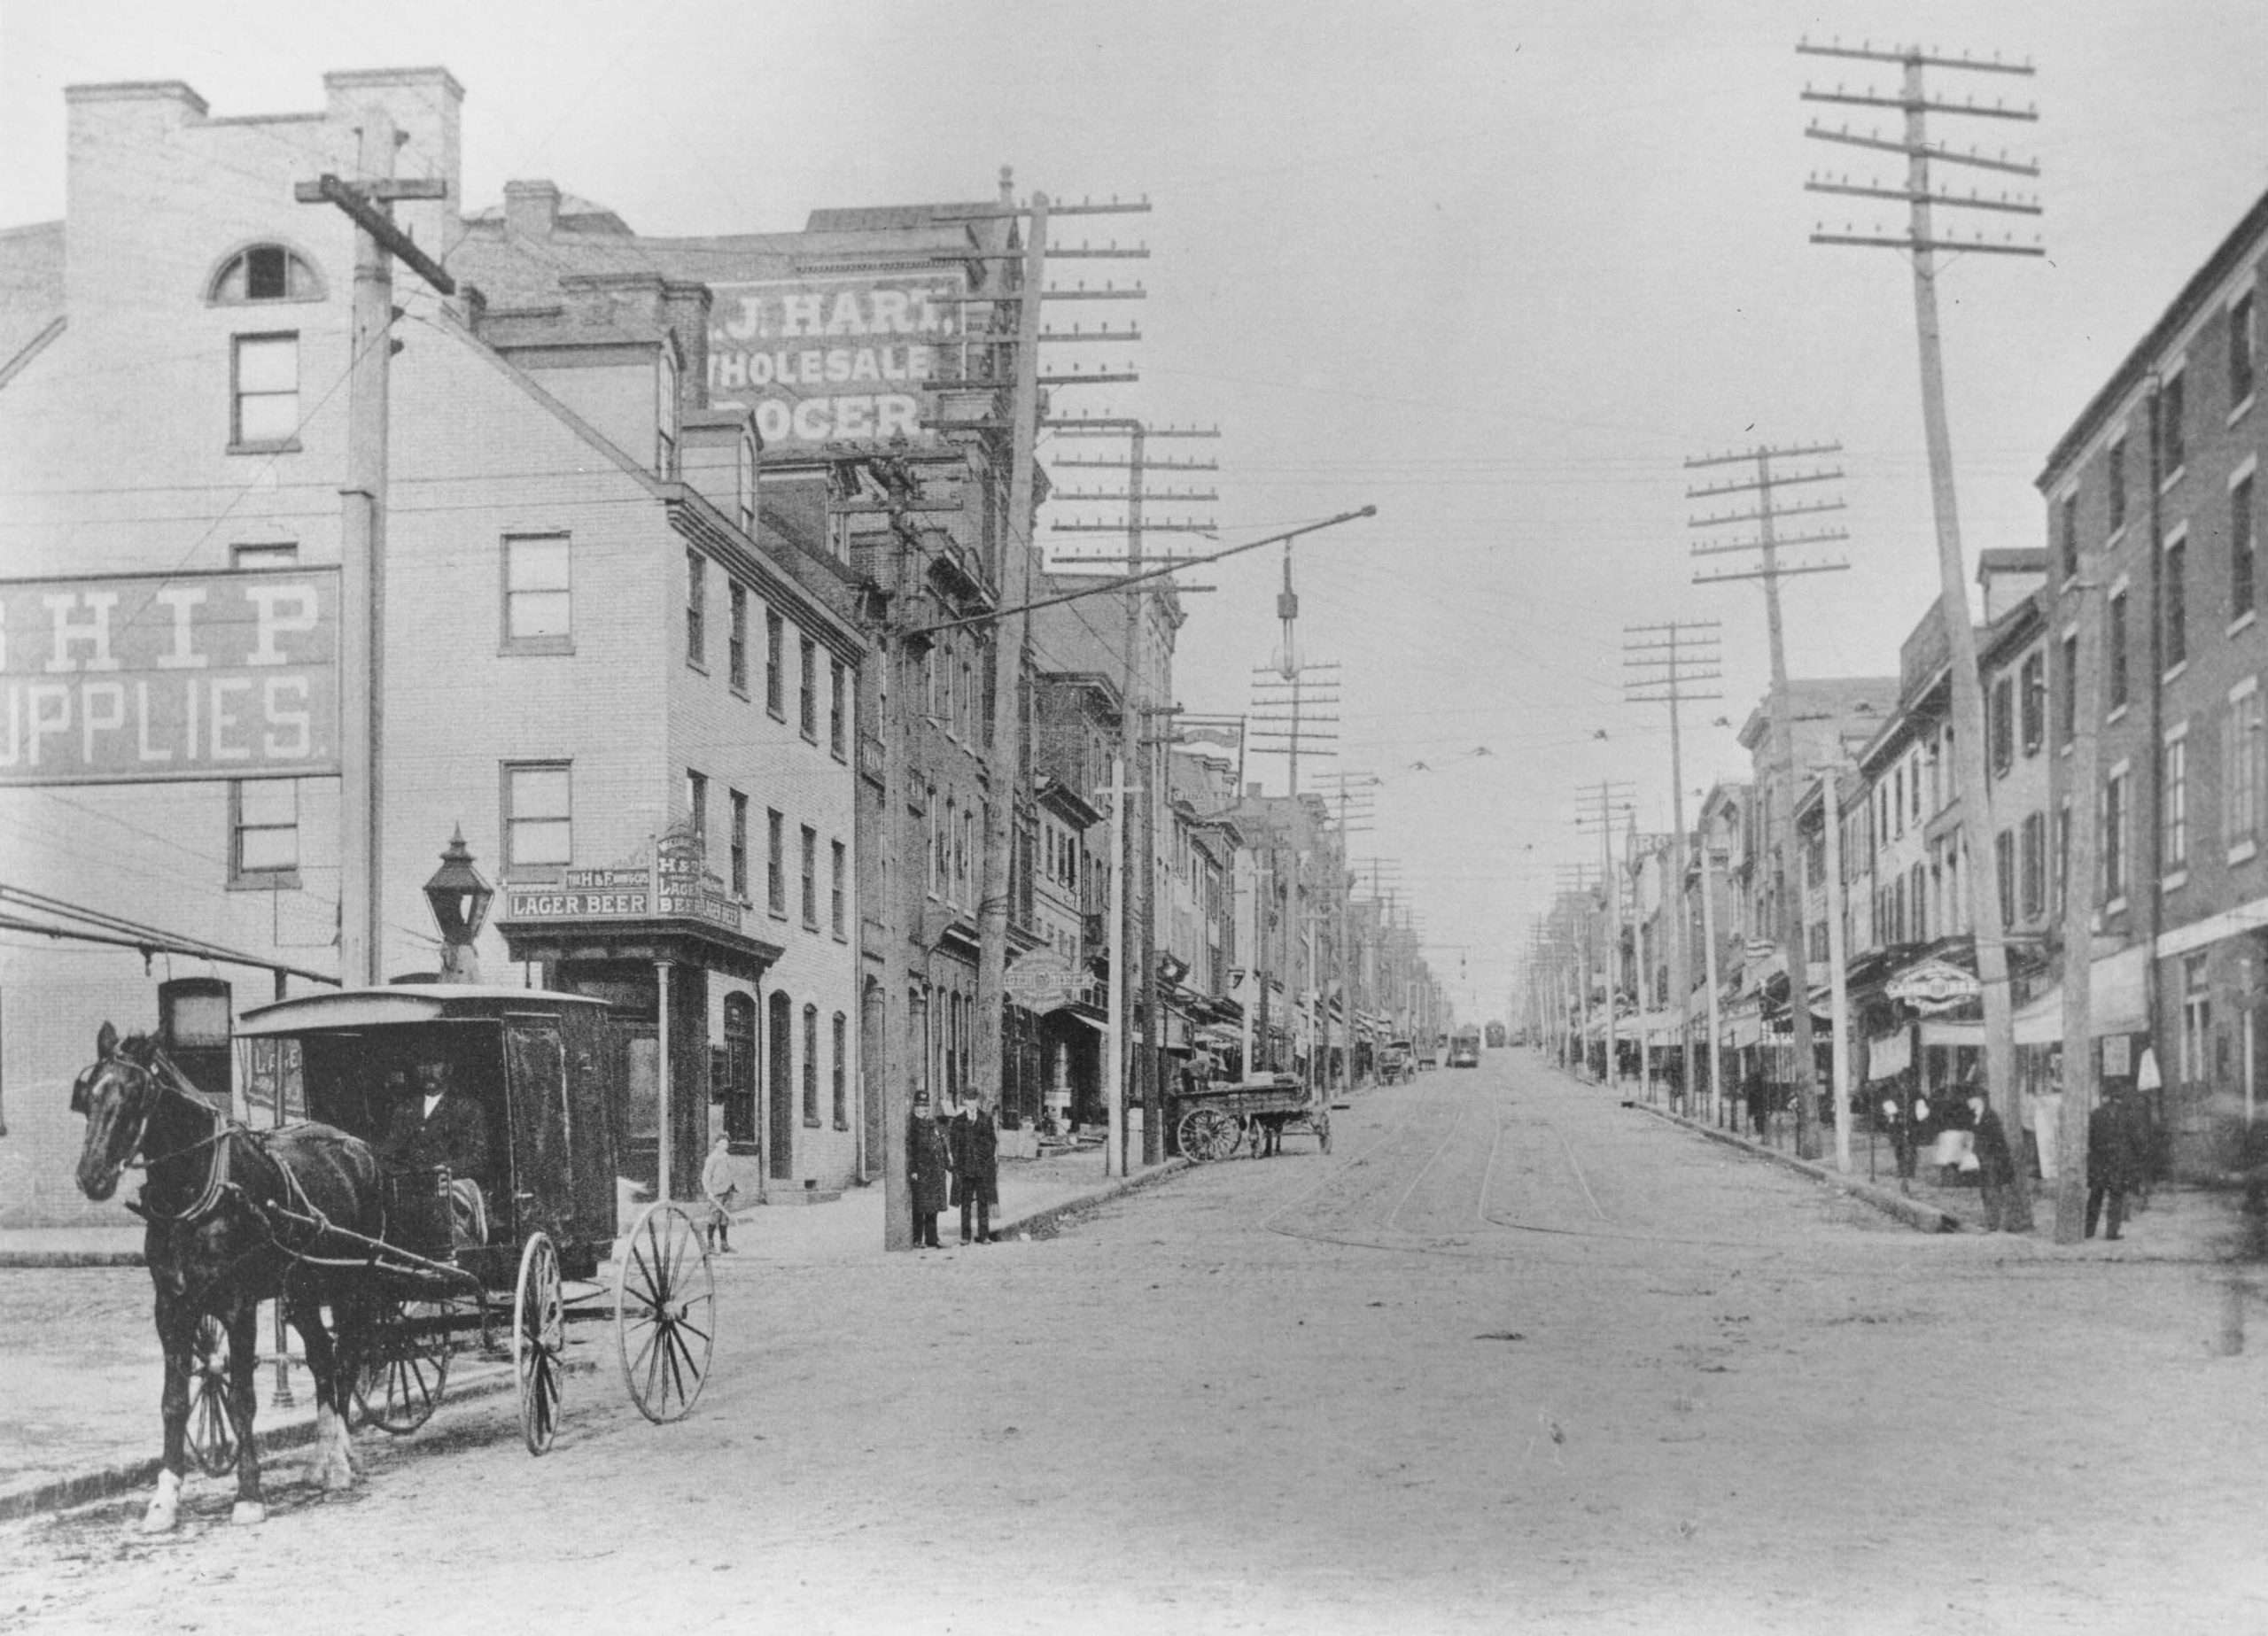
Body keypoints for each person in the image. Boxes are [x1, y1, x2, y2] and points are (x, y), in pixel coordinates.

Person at [379, 1058, 492, 1245]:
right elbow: (390, 1151)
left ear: (449, 1067)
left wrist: (444, 1168)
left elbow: (478, 1158)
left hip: (451, 1187)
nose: (428, 1072)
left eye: (435, 1065)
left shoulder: (468, 1107)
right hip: (410, 1189)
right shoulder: (405, 1109)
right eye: (422, 1065)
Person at [2088, 1084, 2143, 1241]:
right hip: (2119, 1161)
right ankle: (2112, 1232)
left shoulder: (2095, 1114)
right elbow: (2136, 1140)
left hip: (2099, 1160)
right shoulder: (2127, 1115)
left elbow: (2090, 1139)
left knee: (2095, 1195)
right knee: (2116, 1196)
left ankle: (2089, 1229)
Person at [949, 1097, 999, 1244]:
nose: (971, 1104)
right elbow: (953, 1142)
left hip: (981, 1168)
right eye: (969, 1100)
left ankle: (984, 1235)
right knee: (965, 1202)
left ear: (978, 1102)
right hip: (966, 1168)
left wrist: (986, 1157)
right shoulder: (958, 1121)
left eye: (974, 1100)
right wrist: (958, 1161)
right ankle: (965, 1236)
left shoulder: (985, 1118)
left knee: (983, 1201)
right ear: (965, 1102)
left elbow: (992, 1141)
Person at [1969, 1085, 2019, 1232]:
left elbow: (1995, 1139)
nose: (1969, 1102)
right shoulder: (1977, 1116)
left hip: (1993, 1159)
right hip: (1983, 1159)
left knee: (1992, 1190)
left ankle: (1993, 1223)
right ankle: (1990, 1220)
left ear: (1979, 1100)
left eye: (1971, 1099)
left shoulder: (1990, 1116)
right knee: (1985, 1191)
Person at [906, 1090, 949, 1249]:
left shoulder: (931, 1124)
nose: (923, 1109)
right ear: (915, 1107)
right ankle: (917, 1239)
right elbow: (911, 1150)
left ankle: (933, 1238)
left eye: (925, 1106)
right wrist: (914, 1170)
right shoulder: (913, 1126)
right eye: (919, 1106)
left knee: (933, 1207)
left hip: (934, 1171)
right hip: (922, 1172)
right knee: (920, 1206)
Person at [701, 1133, 738, 1254]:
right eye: (722, 1143)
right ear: (716, 1144)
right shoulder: (712, 1158)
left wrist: (733, 1185)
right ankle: (710, 1245)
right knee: (714, 1217)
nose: (724, 1145)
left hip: (728, 1190)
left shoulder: (727, 1156)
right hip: (717, 1192)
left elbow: (730, 1172)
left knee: (724, 1219)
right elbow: (706, 1176)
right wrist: (709, 1191)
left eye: (726, 1143)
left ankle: (724, 1244)